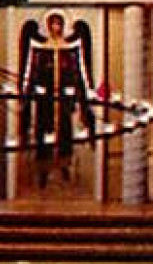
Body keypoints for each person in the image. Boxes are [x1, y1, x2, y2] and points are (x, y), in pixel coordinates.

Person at [18, 10, 97, 187]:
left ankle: (64, 166)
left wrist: (80, 90)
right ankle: (43, 170)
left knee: (65, 131)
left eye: (58, 24)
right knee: (42, 130)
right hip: (44, 99)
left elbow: (78, 72)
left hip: (64, 98)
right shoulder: (40, 47)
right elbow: (32, 72)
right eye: (52, 24)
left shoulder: (70, 47)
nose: (55, 27)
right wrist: (29, 91)